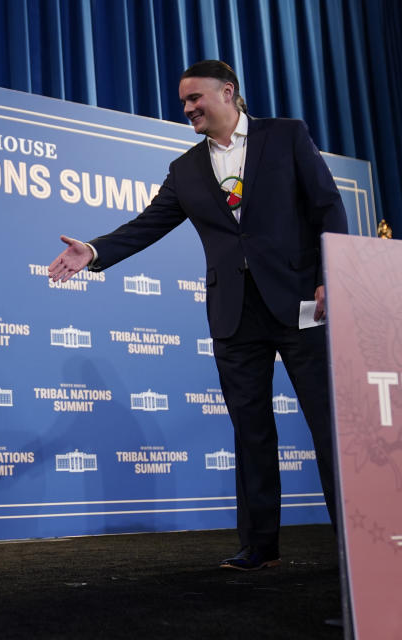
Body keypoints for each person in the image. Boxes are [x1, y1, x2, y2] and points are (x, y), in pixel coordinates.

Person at [48, 60, 347, 571]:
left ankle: (354, 540)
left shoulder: (287, 136)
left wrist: (333, 271)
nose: (187, 109)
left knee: (329, 425)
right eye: (184, 102)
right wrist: (94, 252)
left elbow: (327, 206)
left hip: (301, 301)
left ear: (228, 92)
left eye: (195, 99)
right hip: (234, 315)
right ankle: (260, 546)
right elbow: (148, 225)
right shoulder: (186, 169)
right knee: (251, 431)